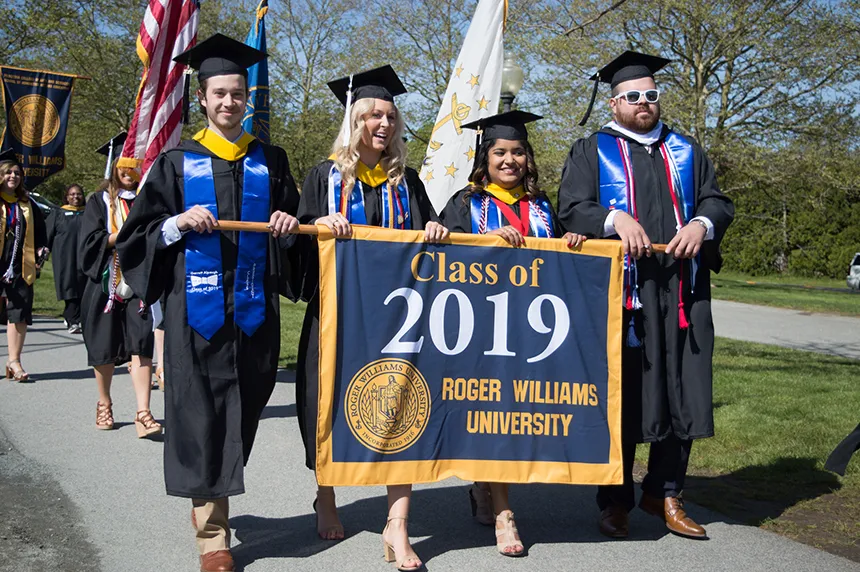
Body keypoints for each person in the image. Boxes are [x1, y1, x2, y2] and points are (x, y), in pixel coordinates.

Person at [116, 34, 302, 572]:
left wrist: (289, 226)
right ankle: (212, 534)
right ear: (202, 98)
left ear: (247, 98)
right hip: (195, 313)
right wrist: (175, 223)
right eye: (219, 93)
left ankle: (213, 500)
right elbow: (136, 235)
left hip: (254, 313)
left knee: (243, 410)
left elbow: (297, 227)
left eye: (237, 93)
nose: (229, 102)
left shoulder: (270, 160)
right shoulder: (177, 162)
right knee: (201, 417)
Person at [557, 51, 735, 540]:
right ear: (613, 104)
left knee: (682, 389)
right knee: (625, 393)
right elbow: (571, 208)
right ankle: (615, 500)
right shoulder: (591, 150)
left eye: (651, 95)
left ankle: (666, 493)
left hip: (682, 290)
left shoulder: (686, 149)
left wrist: (702, 224)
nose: (643, 102)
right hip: (624, 296)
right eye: (632, 95)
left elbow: (717, 201)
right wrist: (614, 219)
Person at [296, 65, 447, 571]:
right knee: (326, 405)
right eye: (373, 115)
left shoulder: (407, 181)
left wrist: (436, 231)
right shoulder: (324, 177)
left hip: (397, 319)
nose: (383, 124)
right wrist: (316, 226)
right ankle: (326, 493)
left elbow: (429, 234)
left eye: (390, 116)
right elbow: (297, 251)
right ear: (354, 120)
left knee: (401, 408)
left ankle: (397, 525)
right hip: (336, 314)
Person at [440, 111, 586, 557]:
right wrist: (485, 243)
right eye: (500, 152)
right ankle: (505, 513)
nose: (510, 160)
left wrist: (572, 242)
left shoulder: (541, 206)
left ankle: (484, 483)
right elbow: (444, 261)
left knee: (510, 413)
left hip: (530, 330)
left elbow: (559, 265)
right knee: (492, 413)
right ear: (484, 158)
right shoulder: (466, 204)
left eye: (518, 152)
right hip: (480, 329)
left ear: (528, 158)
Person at [78, 151, 161, 440]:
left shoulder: (146, 200)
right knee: (104, 343)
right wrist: (124, 237)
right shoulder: (99, 201)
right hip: (106, 279)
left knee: (141, 343)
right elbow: (90, 241)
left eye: (135, 165)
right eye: (124, 165)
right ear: (114, 167)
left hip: (139, 279)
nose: (129, 171)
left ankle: (143, 412)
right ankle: (104, 403)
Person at [0, 148, 48, 381]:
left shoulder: (27, 204)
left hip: (19, 263)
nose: (13, 176)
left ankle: (14, 361)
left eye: (17, 173)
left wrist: (41, 248)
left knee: (18, 311)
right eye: (8, 172)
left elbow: (40, 232)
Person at [46, 184, 87, 334]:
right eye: (72, 194)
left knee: (83, 287)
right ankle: (72, 320)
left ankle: (73, 317)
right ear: (67, 197)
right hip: (64, 257)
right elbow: (47, 235)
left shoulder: (88, 213)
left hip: (84, 257)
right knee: (69, 287)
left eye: (79, 194)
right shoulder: (58, 214)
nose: (75, 197)